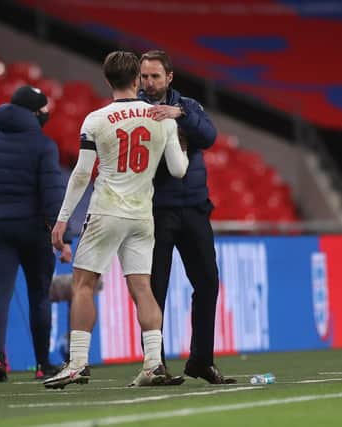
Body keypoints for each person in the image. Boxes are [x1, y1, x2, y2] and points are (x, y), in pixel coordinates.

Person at [44, 51, 189, 390]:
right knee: (142, 288)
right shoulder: (162, 118)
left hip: (107, 210)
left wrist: (62, 219)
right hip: (142, 214)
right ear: (138, 80)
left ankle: (77, 362)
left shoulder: (95, 119)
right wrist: (179, 144)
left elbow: (81, 174)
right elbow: (180, 170)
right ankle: (153, 364)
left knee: (83, 284)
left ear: (107, 80)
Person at [0, 85, 73, 382]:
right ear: (33, 114)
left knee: (0, 293)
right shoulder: (44, 146)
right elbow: (52, 194)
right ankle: (42, 364)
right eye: (44, 110)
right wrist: (63, 235)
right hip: (33, 228)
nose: (47, 115)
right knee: (39, 296)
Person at [139, 50, 236, 384]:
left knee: (208, 282)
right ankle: (156, 364)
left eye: (155, 76)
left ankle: (201, 361)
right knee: (155, 289)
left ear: (169, 77)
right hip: (154, 211)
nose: (149, 83)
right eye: (144, 76)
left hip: (194, 209)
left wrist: (178, 114)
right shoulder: (135, 111)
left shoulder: (189, 106)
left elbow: (209, 137)